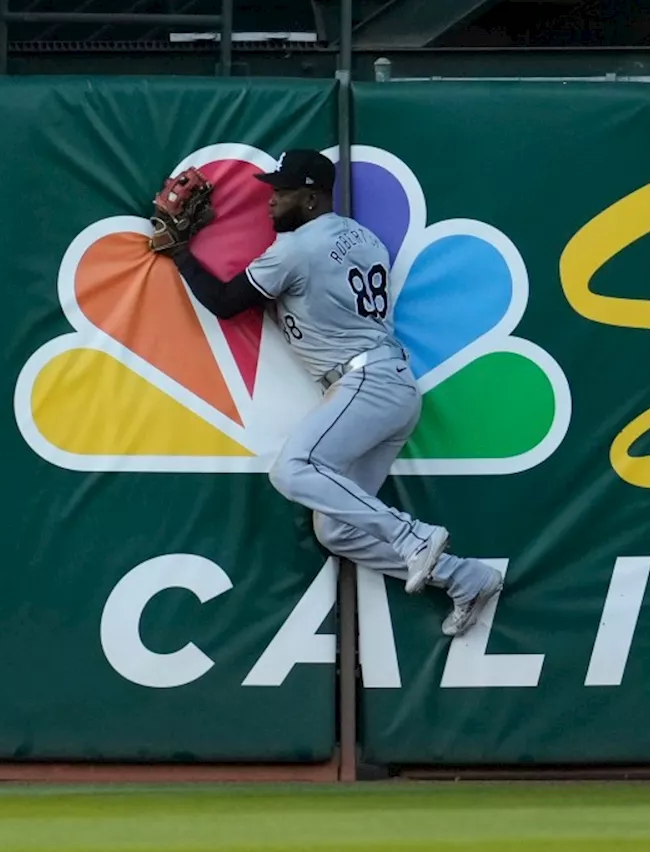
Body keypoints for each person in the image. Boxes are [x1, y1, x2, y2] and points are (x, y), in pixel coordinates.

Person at [161, 149, 503, 637]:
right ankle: (465, 577)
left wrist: (181, 255)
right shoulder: (363, 237)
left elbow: (224, 303)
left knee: (292, 470)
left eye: (282, 192)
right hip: (391, 386)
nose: (270, 201)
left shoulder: (297, 249)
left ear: (312, 196)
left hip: (366, 381)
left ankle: (413, 536)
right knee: (337, 529)